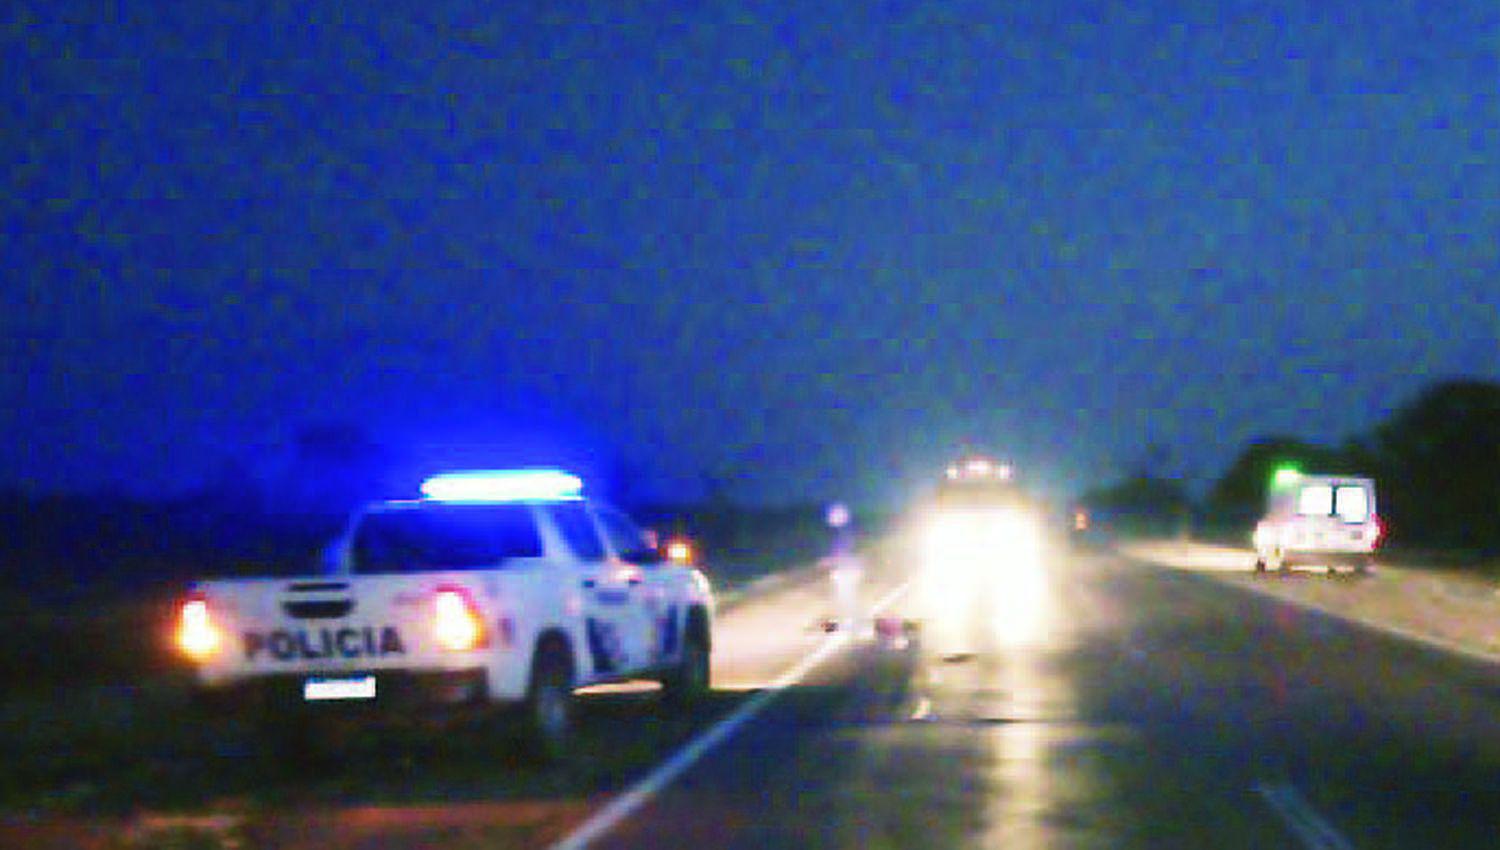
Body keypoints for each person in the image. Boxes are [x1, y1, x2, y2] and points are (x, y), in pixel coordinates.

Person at [824, 502, 863, 632]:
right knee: (846, 597)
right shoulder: (843, 532)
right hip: (847, 569)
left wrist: (830, 561)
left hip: (846, 569)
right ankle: (851, 622)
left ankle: (852, 624)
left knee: (846, 597)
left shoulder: (843, 533)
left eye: (833, 516)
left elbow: (842, 552)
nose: (830, 519)